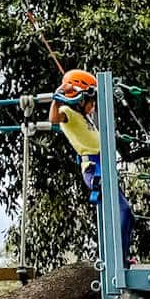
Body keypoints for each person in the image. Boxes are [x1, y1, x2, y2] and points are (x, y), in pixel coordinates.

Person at [50, 69, 134, 261]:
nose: (93, 106)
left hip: (104, 165)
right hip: (93, 168)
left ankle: (123, 257)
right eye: (91, 102)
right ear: (80, 100)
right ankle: (117, 259)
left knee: (128, 214)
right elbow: (53, 119)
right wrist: (60, 93)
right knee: (121, 210)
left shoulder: (88, 119)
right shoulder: (67, 112)